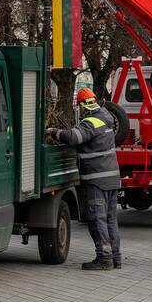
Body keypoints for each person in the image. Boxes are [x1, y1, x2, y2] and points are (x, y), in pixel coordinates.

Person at [46, 88, 122, 270]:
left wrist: (53, 131)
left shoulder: (91, 122)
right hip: (111, 178)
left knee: (98, 219)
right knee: (111, 220)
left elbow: (74, 137)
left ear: (82, 105)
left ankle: (104, 259)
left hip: (97, 180)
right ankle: (115, 258)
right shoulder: (106, 116)